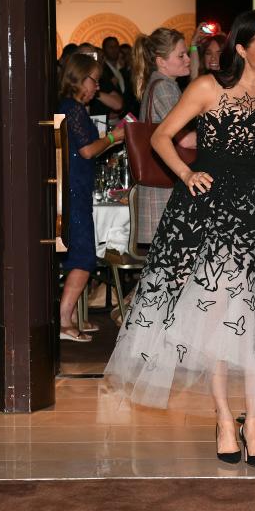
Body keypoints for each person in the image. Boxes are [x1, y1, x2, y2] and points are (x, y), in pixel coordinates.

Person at [104, 10, 255, 468]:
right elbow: (160, 137)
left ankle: (252, 423)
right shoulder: (206, 88)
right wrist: (186, 172)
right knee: (216, 321)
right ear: (242, 49)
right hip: (209, 218)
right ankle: (222, 418)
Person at [56, 54, 125, 341]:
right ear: (79, 78)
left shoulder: (69, 107)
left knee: (77, 256)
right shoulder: (73, 109)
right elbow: (86, 150)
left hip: (74, 190)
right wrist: (114, 138)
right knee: (84, 257)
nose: (97, 86)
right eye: (94, 80)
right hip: (75, 191)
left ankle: (69, 317)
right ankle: (63, 321)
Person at [131, 28, 193, 244]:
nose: (188, 59)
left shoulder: (159, 84)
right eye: (181, 55)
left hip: (159, 189)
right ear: (161, 61)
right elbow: (183, 139)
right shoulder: (165, 88)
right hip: (163, 192)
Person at [101, 35, 139, 116]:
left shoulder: (123, 70)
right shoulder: (102, 72)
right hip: (111, 118)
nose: (114, 49)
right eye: (110, 47)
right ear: (104, 50)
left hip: (128, 116)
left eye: (116, 46)